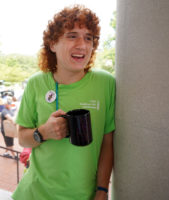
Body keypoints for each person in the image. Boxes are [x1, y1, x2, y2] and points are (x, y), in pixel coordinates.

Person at [12, 5, 115, 200]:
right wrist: (43, 132)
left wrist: (102, 190)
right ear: (52, 44)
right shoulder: (36, 83)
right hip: (34, 193)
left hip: (83, 196)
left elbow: (108, 143)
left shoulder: (105, 83)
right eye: (72, 36)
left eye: (88, 38)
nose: (82, 45)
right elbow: (22, 138)